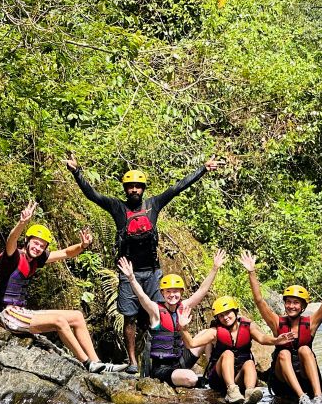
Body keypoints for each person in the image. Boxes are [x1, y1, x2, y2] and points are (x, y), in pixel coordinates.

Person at [66, 153, 222, 374]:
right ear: (125, 189)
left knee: (160, 315)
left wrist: (203, 169)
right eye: (130, 186)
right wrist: (77, 172)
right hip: (128, 272)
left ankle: (160, 358)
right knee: (129, 318)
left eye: (138, 186)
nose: (134, 190)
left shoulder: (153, 204)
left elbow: (177, 188)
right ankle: (132, 362)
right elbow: (92, 195)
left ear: (144, 188)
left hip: (152, 273)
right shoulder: (117, 207)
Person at [0, 200, 123, 374]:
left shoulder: (36, 260)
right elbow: (11, 240)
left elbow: (66, 253)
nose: (38, 247)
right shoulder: (12, 257)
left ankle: (97, 362)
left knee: (77, 316)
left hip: (21, 312)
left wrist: (83, 246)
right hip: (7, 314)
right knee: (59, 321)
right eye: (35, 243)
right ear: (27, 241)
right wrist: (22, 222)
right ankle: (86, 364)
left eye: (42, 245)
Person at [116, 250, 227, 387]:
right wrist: (132, 278)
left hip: (180, 360)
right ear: (162, 293)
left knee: (208, 334)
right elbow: (142, 297)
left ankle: (211, 371)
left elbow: (202, 291)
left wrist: (214, 269)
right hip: (162, 368)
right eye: (168, 291)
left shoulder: (184, 306)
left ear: (181, 292)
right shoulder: (155, 310)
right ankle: (198, 381)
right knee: (191, 378)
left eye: (176, 291)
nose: (172, 295)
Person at [239, 250, 322, 404]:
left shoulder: (311, 323)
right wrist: (251, 272)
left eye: (296, 303)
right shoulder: (277, 322)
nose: (291, 306)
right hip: (282, 377)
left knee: (304, 349)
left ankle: (318, 396)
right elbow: (259, 300)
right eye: (288, 302)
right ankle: (301, 396)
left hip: (304, 374)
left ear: (303, 306)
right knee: (283, 352)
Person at [181, 296, 293, 404]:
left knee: (249, 362)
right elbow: (191, 344)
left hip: (238, 377)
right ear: (217, 318)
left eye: (228, 313)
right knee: (228, 353)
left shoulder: (248, 327)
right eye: (221, 316)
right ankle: (231, 390)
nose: (225, 317)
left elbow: (262, 338)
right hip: (219, 380)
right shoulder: (214, 332)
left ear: (235, 311)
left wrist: (276, 340)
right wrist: (183, 328)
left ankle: (249, 392)